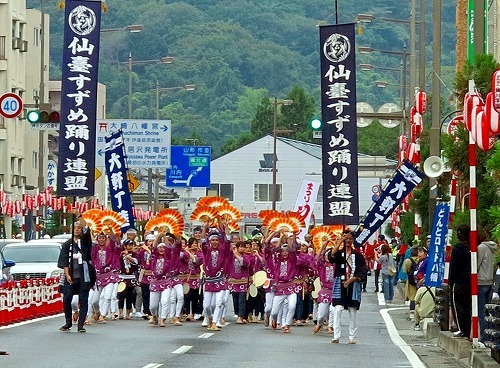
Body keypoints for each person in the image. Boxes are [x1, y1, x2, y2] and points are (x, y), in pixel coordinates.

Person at [57, 217, 96, 332]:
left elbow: (87, 229)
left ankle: (81, 325)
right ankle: (68, 322)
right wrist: (67, 275)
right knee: (67, 299)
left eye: (79, 228)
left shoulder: (85, 242)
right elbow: (64, 261)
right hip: (70, 276)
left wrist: (78, 215)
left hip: (84, 275)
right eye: (75, 228)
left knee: (84, 300)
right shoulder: (66, 245)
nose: (77, 230)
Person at [328, 230, 366, 344]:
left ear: (353, 240)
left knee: (352, 310)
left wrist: (351, 280)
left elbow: (362, 271)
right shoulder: (340, 253)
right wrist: (340, 241)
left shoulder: (358, 256)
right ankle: (336, 335)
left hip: (353, 285)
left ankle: (352, 336)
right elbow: (331, 257)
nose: (348, 241)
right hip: (340, 284)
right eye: (346, 238)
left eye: (350, 238)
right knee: (338, 309)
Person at [448, 224, 471, 339]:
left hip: (458, 281)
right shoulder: (472, 247)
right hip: (469, 280)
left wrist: (451, 280)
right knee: (467, 306)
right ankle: (467, 329)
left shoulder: (457, 248)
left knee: (457, 306)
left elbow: (453, 267)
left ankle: (462, 329)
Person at [477, 227, 498, 342]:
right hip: (490, 280)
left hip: (480, 281)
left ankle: (484, 336)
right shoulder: (493, 248)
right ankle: (491, 334)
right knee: (489, 310)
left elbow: (476, 265)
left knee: (481, 310)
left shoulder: (481, 248)